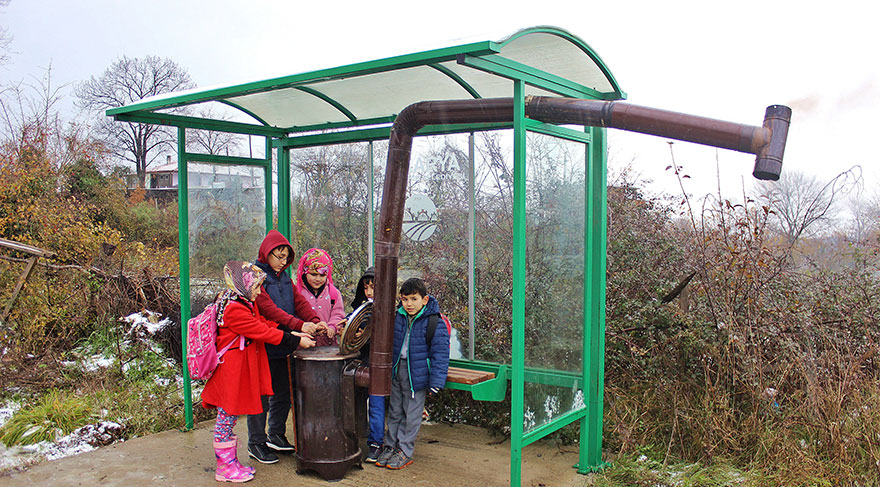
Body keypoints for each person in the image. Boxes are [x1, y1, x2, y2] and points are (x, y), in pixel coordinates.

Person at [201, 261, 316, 483]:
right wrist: (295, 340)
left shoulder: (242, 301)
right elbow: (260, 330)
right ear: (242, 285)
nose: (259, 292)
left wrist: (292, 331)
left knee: (230, 418)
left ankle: (231, 462)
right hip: (230, 375)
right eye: (256, 287)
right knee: (225, 419)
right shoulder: (234, 309)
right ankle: (224, 467)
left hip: (239, 372)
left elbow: (263, 322)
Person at [246, 230, 329, 464]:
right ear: (266, 252)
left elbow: (298, 301)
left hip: (285, 343)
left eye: (286, 257)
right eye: (279, 256)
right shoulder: (256, 276)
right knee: (262, 397)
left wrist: (313, 320)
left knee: (283, 393)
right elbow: (269, 309)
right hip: (265, 344)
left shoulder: (283, 276)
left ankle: (275, 435)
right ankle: (256, 442)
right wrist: (300, 324)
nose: (283, 261)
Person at [375, 277, 449, 470]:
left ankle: (405, 450)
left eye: (414, 299)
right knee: (395, 410)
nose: (409, 304)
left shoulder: (434, 321)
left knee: (412, 413)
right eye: (405, 299)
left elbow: (440, 354)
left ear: (424, 300)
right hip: (398, 370)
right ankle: (391, 445)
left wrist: (436, 382)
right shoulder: (398, 316)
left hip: (418, 374)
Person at [348, 267, 385, 463]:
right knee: (356, 401)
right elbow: (350, 322)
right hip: (360, 361)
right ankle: (357, 435)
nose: (369, 292)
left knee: (377, 404)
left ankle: (376, 443)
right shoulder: (360, 308)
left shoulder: (389, 311)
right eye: (366, 287)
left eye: (373, 287)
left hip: (378, 364)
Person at [294, 248, 345, 347]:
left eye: (322, 275)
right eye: (313, 274)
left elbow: (338, 314)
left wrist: (332, 327)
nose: (318, 279)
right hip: (304, 346)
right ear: (305, 273)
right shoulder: (297, 293)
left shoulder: (333, 293)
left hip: (328, 346)